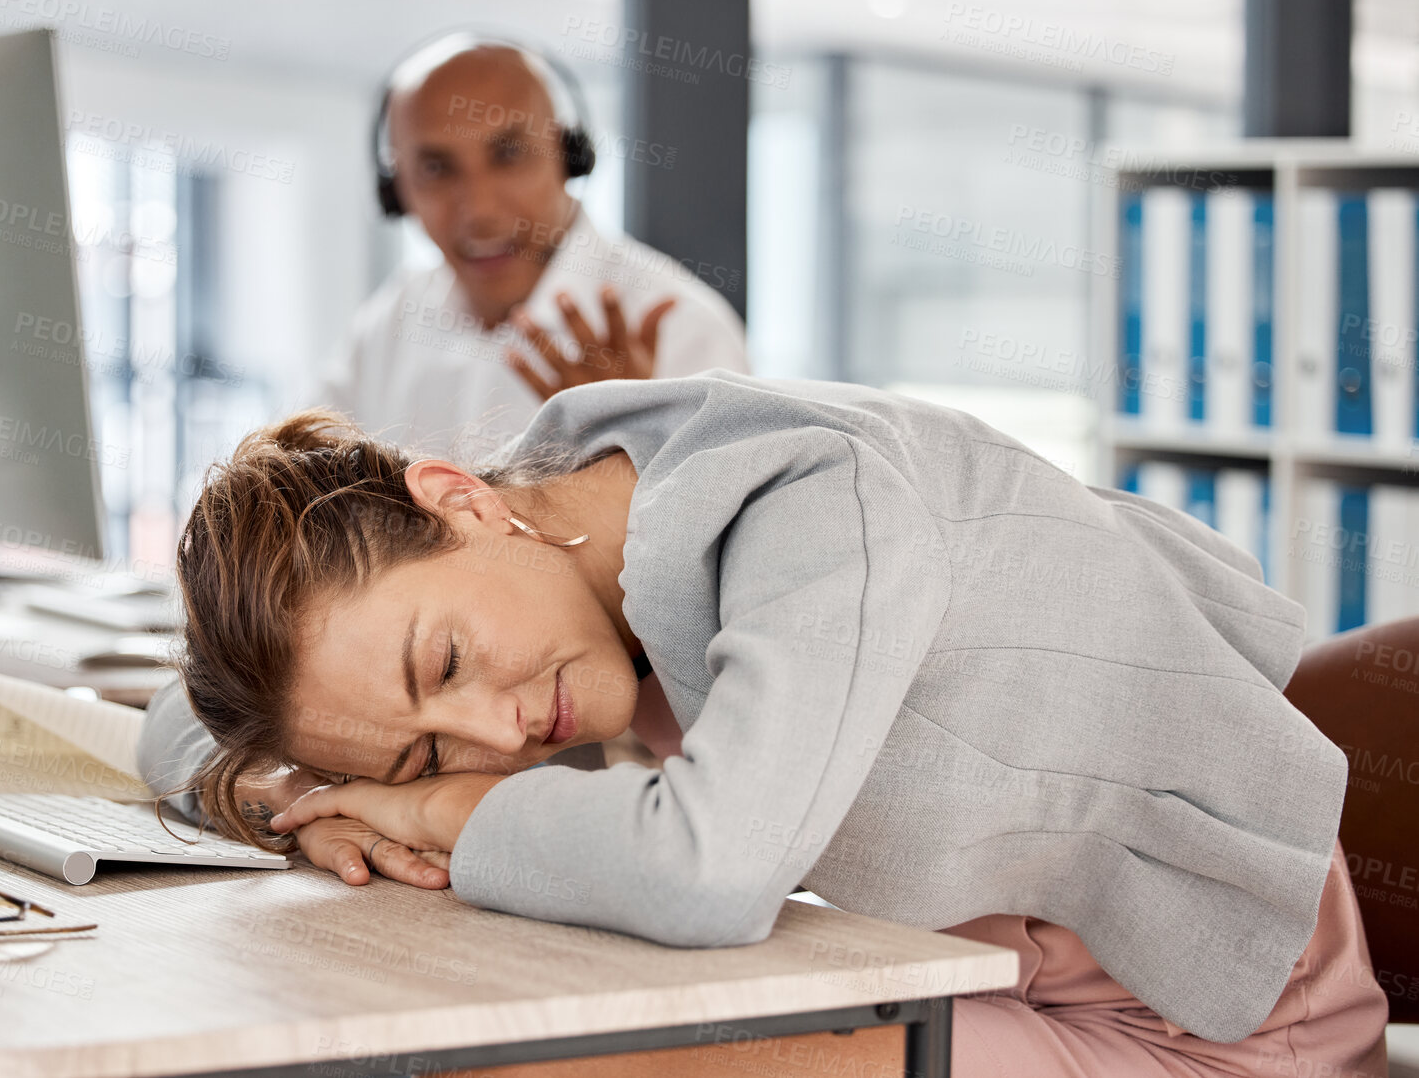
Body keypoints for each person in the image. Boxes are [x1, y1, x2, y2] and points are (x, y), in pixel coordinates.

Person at [137, 370, 1388, 1076]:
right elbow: (169, 717)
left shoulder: (808, 504)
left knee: (537, 1061)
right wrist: (282, 802)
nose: (499, 731)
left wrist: (435, 805)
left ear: (457, 499)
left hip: (1209, 1025)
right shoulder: (566, 506)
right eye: (423, 744)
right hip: (981, 962)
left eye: (447, 662)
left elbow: (708, 873)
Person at [313, 33, 748, 457]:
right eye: (436, 168)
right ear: (395, 192)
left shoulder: (684, 330)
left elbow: (724, 526)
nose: (479, 209)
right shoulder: (386, 327)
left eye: (509, 154)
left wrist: (636, 449)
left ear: (569, 156)